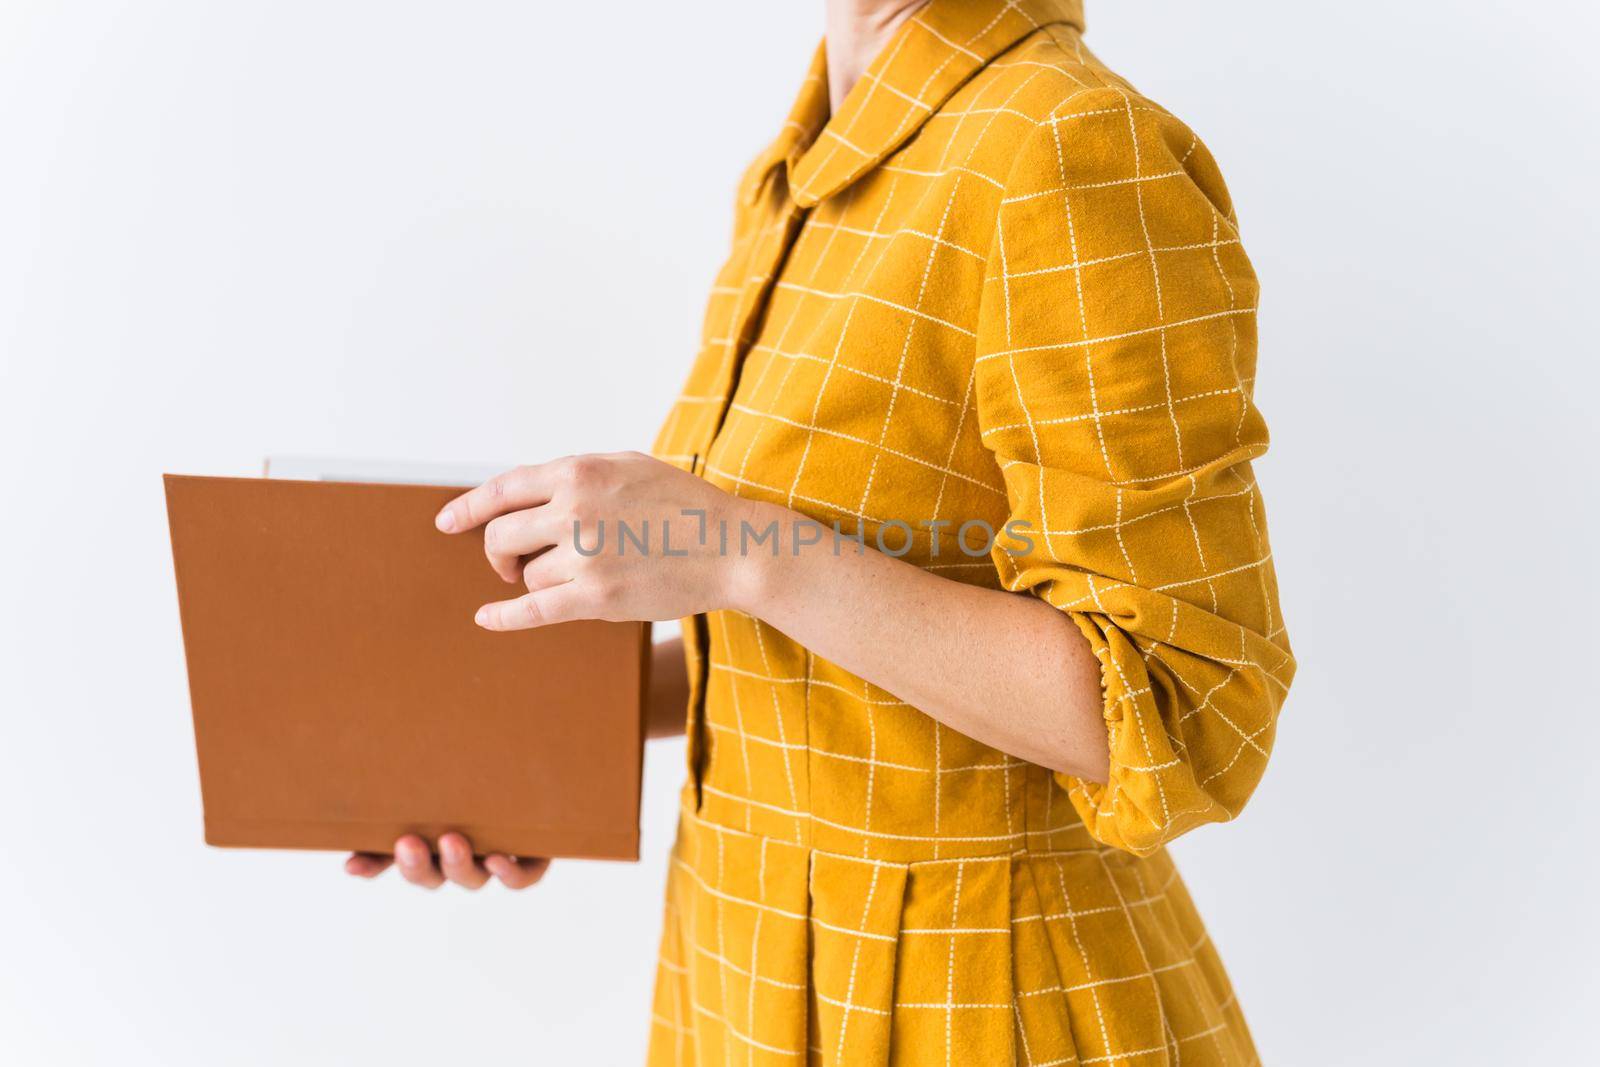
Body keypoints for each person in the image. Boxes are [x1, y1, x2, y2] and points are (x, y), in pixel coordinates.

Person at [346, 1, 1296, 1062]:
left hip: (977, 996)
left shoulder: (1066, 144)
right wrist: (526, 757)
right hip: (740, 963)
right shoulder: (790, 177)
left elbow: (1180, 715)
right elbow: (811, 645)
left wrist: (743, 550)